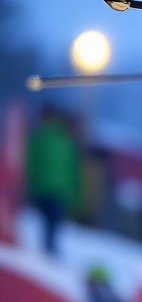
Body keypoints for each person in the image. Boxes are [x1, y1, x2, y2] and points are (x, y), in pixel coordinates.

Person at [25, 104, 82, 254]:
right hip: (54, 189)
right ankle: (49, 248)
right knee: (52, 221)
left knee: (51, 222)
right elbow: (71, 170)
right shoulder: (60, 140)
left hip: (50, 188)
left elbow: (71, 170)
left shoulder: (46, 137)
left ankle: (48, 247)